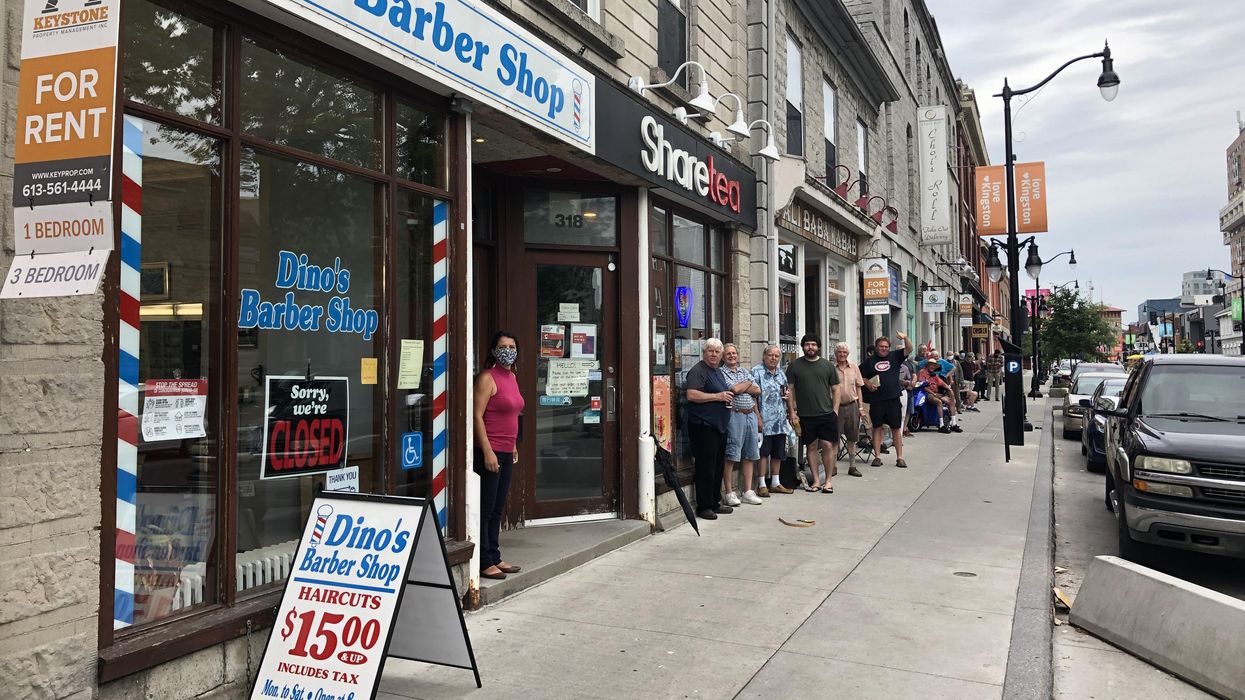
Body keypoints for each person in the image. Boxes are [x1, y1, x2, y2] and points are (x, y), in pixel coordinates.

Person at [473, 331, 526, 580]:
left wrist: (513, 444)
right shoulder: (487, 378)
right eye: (502, 346)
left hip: (506, 450)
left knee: (497, 507)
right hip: (490, 451)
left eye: (512, 346)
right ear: (493, 351)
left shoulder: (512, 377)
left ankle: (495, 555)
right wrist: (487, 450)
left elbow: (512, 414)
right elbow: (477, 415)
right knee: (485, 508)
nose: (508, 350)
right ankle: (484, 561)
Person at [684, 338, 735, 520]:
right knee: (706, 467)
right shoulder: (698, 371)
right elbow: (691, 395)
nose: (714, 354)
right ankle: (704, 506)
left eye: (717, 352)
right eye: (710, 351)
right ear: (704, 353)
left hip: (719, 426)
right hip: (703, 425)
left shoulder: (717, 372)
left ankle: (714, 501)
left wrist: (725, 399)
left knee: (717, 466)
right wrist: (718, 396)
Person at [785, 335, 841, 493]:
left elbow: (836, 389)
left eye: (814, 344)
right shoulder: (794, 366)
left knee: (827, 445)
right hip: (805, 414)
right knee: (811, 446)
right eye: (807, 344)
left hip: (826, 413)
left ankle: (828, 480)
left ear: (818, 347)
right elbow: (789, 389)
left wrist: (835, 410)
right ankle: (816, 481)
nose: (810, 347)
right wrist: (792, 411)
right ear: (802, 347)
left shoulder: (828, 366)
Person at [720, 344, 763, 506]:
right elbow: (735, 389)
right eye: (728, 354)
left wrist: (743, 386)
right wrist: (746, 385)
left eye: (734, 353)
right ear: (723, 357)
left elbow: (757, 391)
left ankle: (747, 491)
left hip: (750, 414)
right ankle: (729, 492)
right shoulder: (721, 372)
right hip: (734, 416)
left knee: (750, 455)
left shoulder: (744, 371)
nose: (732, 356)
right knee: (731, 455)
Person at [860, 333, 912, 467]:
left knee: (895, 428)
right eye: (881, 346)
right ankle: (877, 457)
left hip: (893, 398)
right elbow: (861, 376)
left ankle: (900, 457)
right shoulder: (869, 361)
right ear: (876, 347)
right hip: (876, 400)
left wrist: (905, 338)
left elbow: (909, 349)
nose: (883, 349)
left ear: (889, 348)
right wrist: (867, 384)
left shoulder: (895, 356)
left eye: (886, 347)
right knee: (877, 428)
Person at [751, 345, 794, 495]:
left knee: (778, 452)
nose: (773, 358)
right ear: (764, 356)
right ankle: (761, 484)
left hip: (780, 420)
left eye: (776, 356)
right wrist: (757, 417)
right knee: (763, 453)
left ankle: (776, 482)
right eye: (770, 355)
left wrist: (791, 411)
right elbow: (752, 398)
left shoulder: (781, 374)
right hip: (764, 420)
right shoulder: (756, 372)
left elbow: (787, 392)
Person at [832, 342, 865, 477]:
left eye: (844, 352)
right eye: (839, 352)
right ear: (835, 353)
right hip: (836, 407)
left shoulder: (854, 368)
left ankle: (852, 466)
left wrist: (861, 407)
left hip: (852, 405)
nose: (842, 354)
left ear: (848, 354)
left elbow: (858, 388)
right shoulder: (831, 368)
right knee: (834, 438)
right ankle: (832, 466)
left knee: (852, 437)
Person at [918, 358, 962, 432]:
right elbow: (922, 386)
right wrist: (933, 393)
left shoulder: (934, 375)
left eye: (934, 365)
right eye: (931, 365)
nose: (932, 367)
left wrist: (949, 389)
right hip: (926, 393)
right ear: (928, 365)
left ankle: (953, 424)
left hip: (935, 393)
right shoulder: (922, 372)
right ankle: (941, 425)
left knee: (951, 401)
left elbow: (942, 384)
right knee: (939, 402)